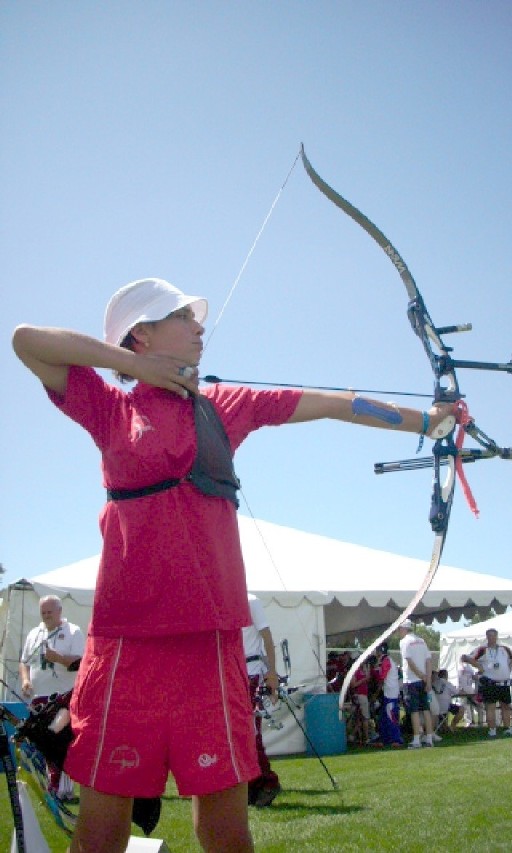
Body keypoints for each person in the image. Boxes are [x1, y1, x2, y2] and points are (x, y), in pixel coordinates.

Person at [12, 277, 457, 853]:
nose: (201, 326)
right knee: (101, 827)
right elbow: (27, 341)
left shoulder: (222, 407)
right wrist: (132, 368)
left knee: (226, 827)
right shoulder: (110, 408)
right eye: (181, 316)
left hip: (212, 641)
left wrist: (425, 421)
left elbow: (333, 403)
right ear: (140, 335)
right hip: (128, 643)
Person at [19, 595, 85, 802]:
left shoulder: (73, 631)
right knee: (42, 742)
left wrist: (58, 658)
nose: (46, 616)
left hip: (64, 696)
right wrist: (25, 681)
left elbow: (80, 663)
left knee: (58, 739)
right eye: (43, 612)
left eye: (50, 612)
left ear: (59, 611)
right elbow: (24, 662)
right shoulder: (34, 633)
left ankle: (64, 789)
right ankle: (51, 785)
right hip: (39, 697)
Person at [243, 593, 281, 808]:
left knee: (250, 729)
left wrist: (272, 673)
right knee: (242, 730)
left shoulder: (250, 600)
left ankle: (265, 781)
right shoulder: (226, 599)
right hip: (234, 670)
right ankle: (252, 783)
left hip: (251, 670)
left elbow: (266, 636)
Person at [462, 628, 512, 738]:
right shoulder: (482, 649)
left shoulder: (504, 649)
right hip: (490, 683)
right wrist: (479, 667)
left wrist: (509, 667)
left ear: (497, 636)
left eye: (493, 636)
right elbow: (467, 658)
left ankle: (507, 728)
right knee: (490, 707)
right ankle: (492, 729)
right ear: (487, 637)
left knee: (506, 706)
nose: (492, 638)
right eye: (489, 636)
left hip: (504, 683)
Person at [398, 619, 435, 748]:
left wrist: (421, 675)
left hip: (412, 680)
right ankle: (429, 738)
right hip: (423, 680)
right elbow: (428, 661)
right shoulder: (422, 641)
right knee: (425, 709)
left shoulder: (404, 642)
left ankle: (417, 739)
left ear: (403, 629)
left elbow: (409, 661)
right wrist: (428, 679)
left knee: (414, 711)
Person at [373, 643, 403, 747]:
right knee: (384, 717)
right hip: (388, 692)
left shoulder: (386, 661)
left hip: (390, 693)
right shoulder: (386, 660)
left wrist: (376, 692)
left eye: (377, 650)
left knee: (391, 716)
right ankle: (385, 738)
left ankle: (396, 739)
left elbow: (382, 677)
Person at [432, 668, 464, 732]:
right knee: (462, 709)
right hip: (445, 707)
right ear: (446, 675)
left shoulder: (433, 683)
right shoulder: (447, 683)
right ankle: (452, 725)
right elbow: (457, 692)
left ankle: (443, 726)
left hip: (433, 707)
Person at [457, 656, 484, 727]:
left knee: (467, 705)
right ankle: (477, 721)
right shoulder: (470, 668)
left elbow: (460, 680)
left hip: (465, 689)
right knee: (473, 705)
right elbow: (473, 678)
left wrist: (461, 689)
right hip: (470, 689)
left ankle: (470, 721)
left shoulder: (462, 667)